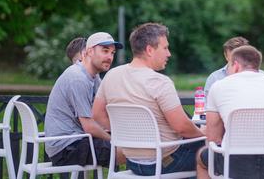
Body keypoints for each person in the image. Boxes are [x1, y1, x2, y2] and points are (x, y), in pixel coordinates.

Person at [92, 23, 204, 176]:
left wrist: (127, 131)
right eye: (165, 48)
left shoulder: (111, 75)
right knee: (211, 151)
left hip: (132, 161)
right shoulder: (159, 82)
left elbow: (97, 115)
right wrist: (205, 134)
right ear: (150, 50)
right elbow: (182, 127)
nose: (169, 53)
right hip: (164, 162)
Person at [196, 45, 264, 179]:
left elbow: (213, 139)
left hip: (235, 165)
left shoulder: (219, 86)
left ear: (236, 65)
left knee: (201, 157)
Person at [45, 32, 125, 167]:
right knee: (129, 151)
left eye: (112, 53)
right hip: (66, 148)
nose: (109, 57)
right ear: (89, 51)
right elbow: (89, 127)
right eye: (105, 51)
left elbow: (102, 111)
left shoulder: (93, 77)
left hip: (78, 139)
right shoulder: (77, 78)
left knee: (133, 144)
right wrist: (115, 140)